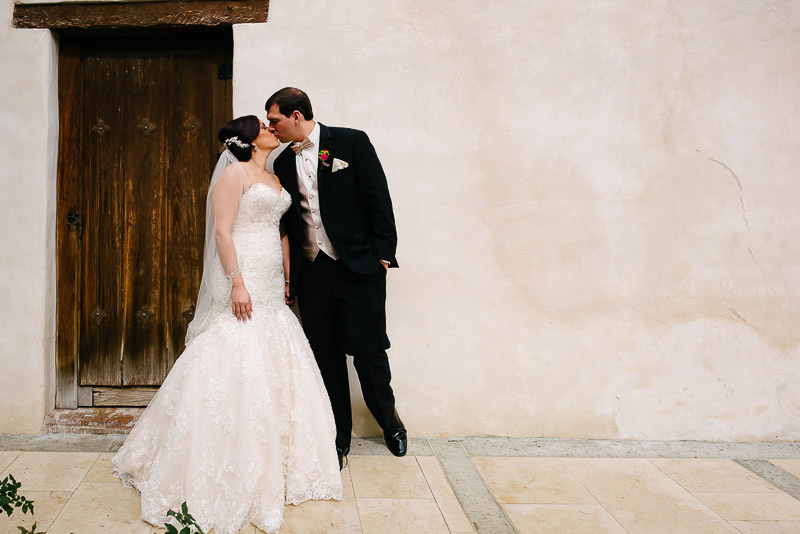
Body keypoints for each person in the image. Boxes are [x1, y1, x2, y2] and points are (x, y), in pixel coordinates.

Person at [112, 115, 342, 534]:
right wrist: (237, 283)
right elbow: (222, 232)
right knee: (234, 350)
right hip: (243, 275)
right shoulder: (233, 175)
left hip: (272, 280)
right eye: (266, 127)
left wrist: (288, 275)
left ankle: (282, 457)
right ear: (250, 138)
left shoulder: (273, 178)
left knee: (276, 347)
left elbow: (282, 232)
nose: (273, 130)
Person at [266, 87, 406, 469]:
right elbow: (287, 225)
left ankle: (390, 424)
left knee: (368, 351)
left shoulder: (350, 142)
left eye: (275, 120)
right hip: (313, 274)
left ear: (297, 116)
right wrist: (289, 277)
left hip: (360, 268)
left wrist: (382, 257)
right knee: (324, 358)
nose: (271, 128)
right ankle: (337, 437)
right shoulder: (280, 164)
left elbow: (379, 199)